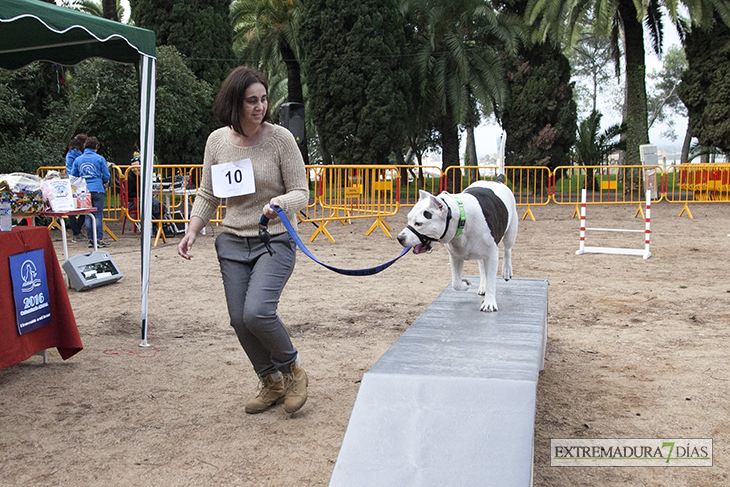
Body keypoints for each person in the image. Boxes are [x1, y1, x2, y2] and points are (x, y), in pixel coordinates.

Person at [178, 66, 309, 414]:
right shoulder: (216, 141)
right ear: (234, 103)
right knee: (239, 318)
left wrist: (280, 203)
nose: (260, 106)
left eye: (264, 99)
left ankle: (293, 370)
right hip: (232, 242)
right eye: (252, 100)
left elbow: (302, 192)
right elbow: (208, 193)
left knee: (258, 312)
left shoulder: (281, 138)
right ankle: (270, 381)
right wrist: (192, 230)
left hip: (275, 239)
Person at [70, 136, 110, 248]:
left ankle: (90, 239)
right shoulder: (100, 159)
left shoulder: (78, 160)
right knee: (97, 215)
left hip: (84, 190)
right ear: (96, 146)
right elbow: (106, 175)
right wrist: (103, 181)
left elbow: (73, 175)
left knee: (88, 215)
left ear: (84, 146)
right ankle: (99, 239)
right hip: (97, 188)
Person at [127, 153, 172, 235]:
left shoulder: (143, 175)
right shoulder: (129, 177)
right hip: (133, 201)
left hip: (142, 198)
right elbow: (129, 194)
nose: (135, 170)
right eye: (133, 168)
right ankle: (157, 226)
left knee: (156, 204)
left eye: (137, 167)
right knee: (153, 204)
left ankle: (159, 225)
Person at [65, 134, 87, 242]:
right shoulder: (77, 155)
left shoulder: (71, 153)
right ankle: (76, 231)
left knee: (78, 207)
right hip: (75, 182)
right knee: (78, 207)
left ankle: (77, 231)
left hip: (73, 181)